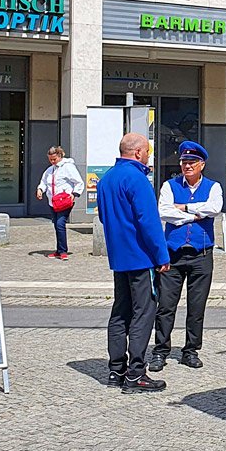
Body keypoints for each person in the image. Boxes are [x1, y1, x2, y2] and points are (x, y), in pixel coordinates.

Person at [96, 132, 170, 393]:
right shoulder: (138, 179)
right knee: (143, 313)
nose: (149, 156)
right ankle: (135, 374)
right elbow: (149, 222)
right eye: (148, 152)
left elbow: (104, 218)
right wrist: (161, 255)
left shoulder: (106, 179)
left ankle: (116, 370)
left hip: (119, 257)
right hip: (140, 257)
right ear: (138, 152)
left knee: (120, 312)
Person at [150, 141, 222, 371]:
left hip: (201, 254)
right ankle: (160, 350)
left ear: (202, 164)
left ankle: (190, 350)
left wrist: (183, 209)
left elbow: (214, 209)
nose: (186, 166)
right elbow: (164, 212)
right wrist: (194, 215)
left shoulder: (214, 187)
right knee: (165, 306)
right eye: (183, 162)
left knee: (196, 306)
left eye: (191, 162)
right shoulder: (169, 186)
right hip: (173, 255)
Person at [35, 146, 84, 260]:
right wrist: (40, 190)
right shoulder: (50, 170)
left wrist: (74, 194)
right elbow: (44, 182)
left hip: (65, 201)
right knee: (57, 225)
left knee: (60, 224)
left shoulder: (68, 167)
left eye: (54, 159)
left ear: (60, 156)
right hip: (53, 202)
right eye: (50, 159)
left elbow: (78, 182)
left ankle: (63, 251)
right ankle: (59, 250)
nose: (52, 162)